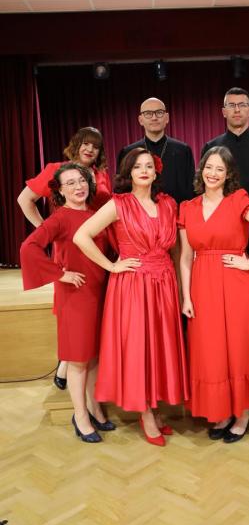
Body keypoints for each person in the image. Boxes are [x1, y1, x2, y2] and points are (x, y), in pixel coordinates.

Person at [73, 148, 189, 447]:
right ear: (129, 172)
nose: (144, 170)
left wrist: (180, 289)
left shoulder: (168, 204)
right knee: (140, 347)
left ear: (156, 171)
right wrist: (111, 265)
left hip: (164, 283)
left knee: (159, 346)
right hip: (133, 285)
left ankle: (155, 409)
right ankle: (146, 413)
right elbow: (81, 236)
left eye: (149, 165)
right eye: (138, 166)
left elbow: (177, 250)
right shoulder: (118, 204)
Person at [179, 146, 249, 443]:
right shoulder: (187, 207)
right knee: (211, 350)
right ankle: (223, 411)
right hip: (203, 285)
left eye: (219, 169)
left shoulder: (239, 200)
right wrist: (186, 296)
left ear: (228, 175)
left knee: (239, 348)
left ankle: (242, 414)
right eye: (209, 167)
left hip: (238, 283)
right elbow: (185, 257)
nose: (213, 174)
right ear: (201, 170)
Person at [20, 163, 116, 443]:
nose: (78, 186)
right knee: (77, 360)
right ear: (60, 191)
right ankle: (80, 416)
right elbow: (29, 247)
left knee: (93, 356)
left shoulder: (95, 214)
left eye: (82, 180)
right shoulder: (60, 218)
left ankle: (95, 408)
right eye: (70, 183)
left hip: (99, 291)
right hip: (75, 296)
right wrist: (59, 274)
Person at [17, 126, 112, 390]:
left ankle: (71, 367)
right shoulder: (56, 169)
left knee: (91, 319)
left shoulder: (101, 176)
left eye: (95, 145)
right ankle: (67, 365)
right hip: (70, 249)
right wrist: (47, 229)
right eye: (85, 143)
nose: (90, 149)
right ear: (75, 145)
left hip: (98, 249)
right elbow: (25, 200)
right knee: (75, 313)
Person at [201, 87, 249, 264]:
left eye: (242, 105)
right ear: (224, 112)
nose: (237, 110)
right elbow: (204, 190)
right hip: (223, 229)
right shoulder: (211, 147)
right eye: (231, 105)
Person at [117, 97, 195, 204]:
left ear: (167, 118)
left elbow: (191, 189)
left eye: (159, 113)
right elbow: (121, 189)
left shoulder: (183, 151)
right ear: (140, 120)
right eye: (148, 113)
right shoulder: (127, 152)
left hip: (177, 211)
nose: (154, 117)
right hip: (138, 211)